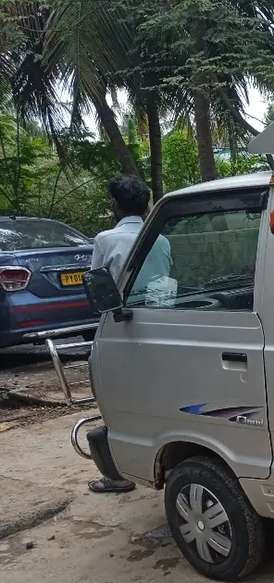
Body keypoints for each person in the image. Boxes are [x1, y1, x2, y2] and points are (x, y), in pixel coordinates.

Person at [87, 175, 171, 493]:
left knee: (119, 403)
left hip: (121, 329)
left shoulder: (106, 240)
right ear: (146, 204)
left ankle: (119, 474)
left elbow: (98, 289)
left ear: (115, 207)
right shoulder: (161, 239)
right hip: (163, 324)